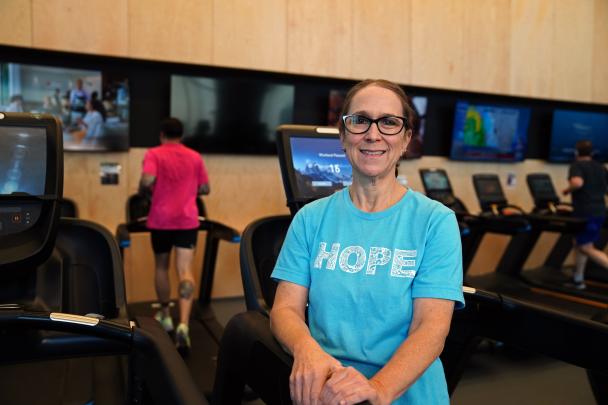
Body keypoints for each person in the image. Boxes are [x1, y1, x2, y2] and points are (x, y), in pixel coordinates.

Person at [270, 79, 464, 405]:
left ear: (405, 140)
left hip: (404, 393)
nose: (373, 134)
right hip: (327, 389)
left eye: (389, 122)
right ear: (343, 136)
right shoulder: (310, 219)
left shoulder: (436, 221)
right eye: (360, 120)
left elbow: (430, 328)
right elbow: (285, 309)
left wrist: (378, 389)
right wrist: (307, 351)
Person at [139, 117, 210, 353]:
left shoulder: (154, 153)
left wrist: (145, 191)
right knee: (185, 271)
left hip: (161, 220)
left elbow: (148, 179)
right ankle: (184, 325)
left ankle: (166, 315)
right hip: (187, 221)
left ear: (162, 135)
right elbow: (205, 189)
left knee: (161, 267)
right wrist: (189, 188)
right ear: (181, 135)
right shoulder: (194, 156)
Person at [562, 139, 608, 290]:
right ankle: (578, 280)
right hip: (600, 210)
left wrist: (567, 190)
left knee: (585, 247)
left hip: (585, 213)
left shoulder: (577, 165)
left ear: (576, 152)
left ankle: (578, 279)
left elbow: (577, 183)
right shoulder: (600, 167)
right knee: (581, 244)